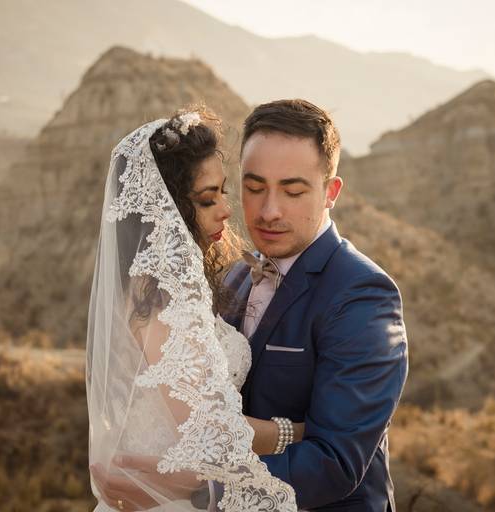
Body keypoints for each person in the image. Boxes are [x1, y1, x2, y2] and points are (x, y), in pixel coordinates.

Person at [85, 107, 298, 511]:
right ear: (165, 213)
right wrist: (299, 432)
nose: (225, 209)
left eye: (222, 192)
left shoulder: (156, 285)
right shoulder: (159, 294)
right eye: (206, 199)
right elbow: (211, 430)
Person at [212, 99, 408, 511]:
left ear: (330, 192)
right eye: (254, 187)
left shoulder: (363, 294)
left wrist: (200, 490)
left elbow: (333, 463)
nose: (269, 210)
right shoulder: (233, 276)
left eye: (293, 190)